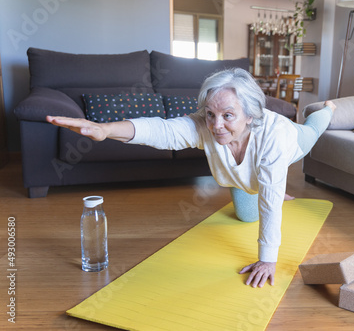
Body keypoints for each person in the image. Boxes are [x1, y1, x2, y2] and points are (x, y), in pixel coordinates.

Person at [47, 68, 335, 288]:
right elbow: (163, 131)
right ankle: (269, 183)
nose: (216, 125)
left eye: (228, 115)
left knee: (312, 130)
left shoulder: (275, 138)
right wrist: (105, 130)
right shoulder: (206, 125)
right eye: (210, 114)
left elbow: (270, 206)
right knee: (248, 216)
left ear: (250, 116)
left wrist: (268, 260)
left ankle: (327, 110)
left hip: (296, 140)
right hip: (247, 177)